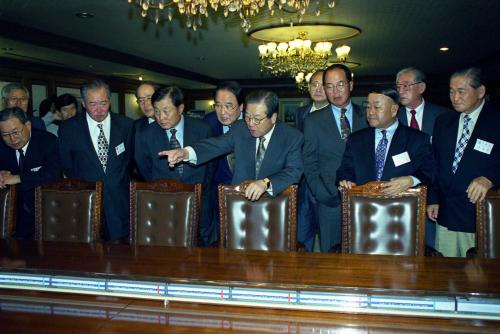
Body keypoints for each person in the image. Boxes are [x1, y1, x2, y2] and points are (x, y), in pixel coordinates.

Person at [160, 89, 303, 201]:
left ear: (273, 117)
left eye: (257, 119)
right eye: (247, 117)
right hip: (240, 201)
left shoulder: (292, 137)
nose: (251, 123)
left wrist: (265, 183)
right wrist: (185, 153)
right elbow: (215, 145)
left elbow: (294, 171)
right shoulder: (240, 128)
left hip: (276, 204)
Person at [427, 67, 500, 257]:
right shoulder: (443, 121)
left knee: (479, 278)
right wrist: (433, 198)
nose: (455, 97)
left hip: (480, 216)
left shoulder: (496, 120)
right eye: (451, 91)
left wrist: (491, 178)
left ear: (481, 91)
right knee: (447, 278)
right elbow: (435, 163)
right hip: (447, 214)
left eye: (461, 91)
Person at [136, 86, 215, 246]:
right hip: (164, 204)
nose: (161, 117)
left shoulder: (203, 130)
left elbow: (210, 168)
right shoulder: (145, 135)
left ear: (180, 108)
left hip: (199, 203)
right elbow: (144, 168)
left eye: (166, 111)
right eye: (156, 111)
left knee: (203, 250)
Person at [302, 64, 368, 252]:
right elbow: (309, 162)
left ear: (351, 84)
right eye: (329, 86)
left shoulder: (368, 116)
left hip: (365, 198)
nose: (335, 91)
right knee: (330, 257)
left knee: (364, 253)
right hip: (329, 200)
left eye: (340, 84)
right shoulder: (313, 121)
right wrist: (320, 192)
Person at [58, 79, 134, 242]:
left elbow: (129, 161)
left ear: (110, 101)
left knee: (122, 257)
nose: (99, 110)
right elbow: (67, 165)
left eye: (104, 103)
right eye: (93, 104)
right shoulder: (68, 129)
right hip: (86, 203)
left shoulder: (126, 125)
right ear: (83, 103)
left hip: (120, 202)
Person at [337, 87, 433, 193]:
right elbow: (345, 171)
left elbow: (429, 171)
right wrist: (346, 181)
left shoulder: (417, 139)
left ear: (393, 110)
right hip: (364, 204)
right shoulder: (356, 139)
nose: (371, 112)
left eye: (377, 107)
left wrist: (411, 180)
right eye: (368, 106)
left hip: (400, 205)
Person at [395, 67, 451, 248]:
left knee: (431, 248)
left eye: (406, 85)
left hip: (434, 195)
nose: (401, 91)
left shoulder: (443, 117)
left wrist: (436, 197)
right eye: (398, 86)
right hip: (399, 194)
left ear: (421, 87)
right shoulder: (391, 117)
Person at [0, 107, 61, 239]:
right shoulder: (1, 146)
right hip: (13, 219)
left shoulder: (48, 142)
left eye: (15, 132)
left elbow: (53, 174)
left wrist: (18, 178)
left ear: (27, 125)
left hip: (47, 215)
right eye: (5, 134)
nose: (12, 139)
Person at [203, 80, 244, 243]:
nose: (223, 112)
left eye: (229, 106)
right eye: (218, 105)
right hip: (217, 192)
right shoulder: (208, 123)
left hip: (249, 192)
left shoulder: (254, 121)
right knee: (223, 239)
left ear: (241, 107)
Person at [294, 70, 329, 251]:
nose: (318, 89)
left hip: (327, 185)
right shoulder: (301, 113)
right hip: (302, 185)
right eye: (314, 84)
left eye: (323, 85)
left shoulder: (337, 115)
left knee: (328, 239)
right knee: (300, 236)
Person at [133, 81, 160, 181]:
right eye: (141, 100)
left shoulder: (174, 124)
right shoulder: (134, 128)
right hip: (146, 188)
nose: (145, 104)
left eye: (149, 98)